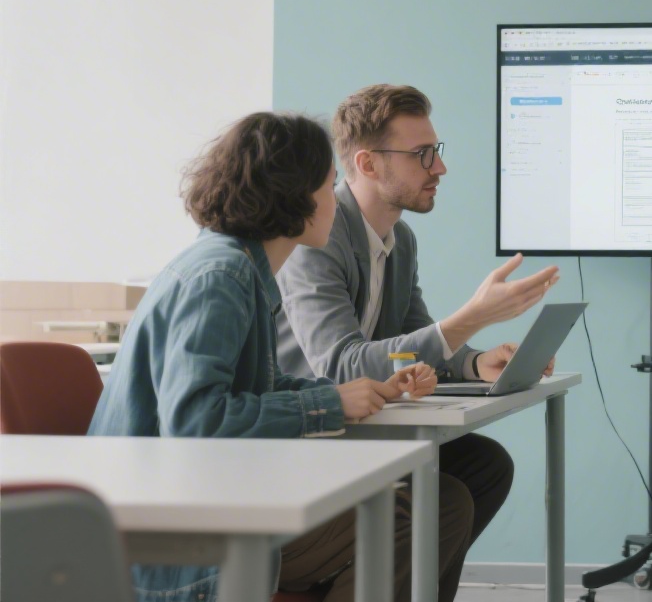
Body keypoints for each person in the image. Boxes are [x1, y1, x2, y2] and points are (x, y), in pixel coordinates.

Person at [90, 112, 438, 602]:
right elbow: (196, 420)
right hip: (169, 529)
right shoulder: (222, 277)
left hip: (189, 497)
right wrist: (328, 405)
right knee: (397, 525)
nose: (336, 207)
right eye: (329, 187)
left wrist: (337, 394)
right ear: (292, 194)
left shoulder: (240, 269)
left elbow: (250, 389)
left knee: (405, 510)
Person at [275, 83, 559, 601]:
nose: (439, 168)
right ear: (367, 162)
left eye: (436, 151)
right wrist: (470, 319)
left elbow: (413, 344)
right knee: (443, 497)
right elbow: (340, 366)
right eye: (421, 155)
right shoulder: (317, 237)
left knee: (484, 465)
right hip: (305, 440)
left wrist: (477, 364)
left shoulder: (400, 240)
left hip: (356, 431)